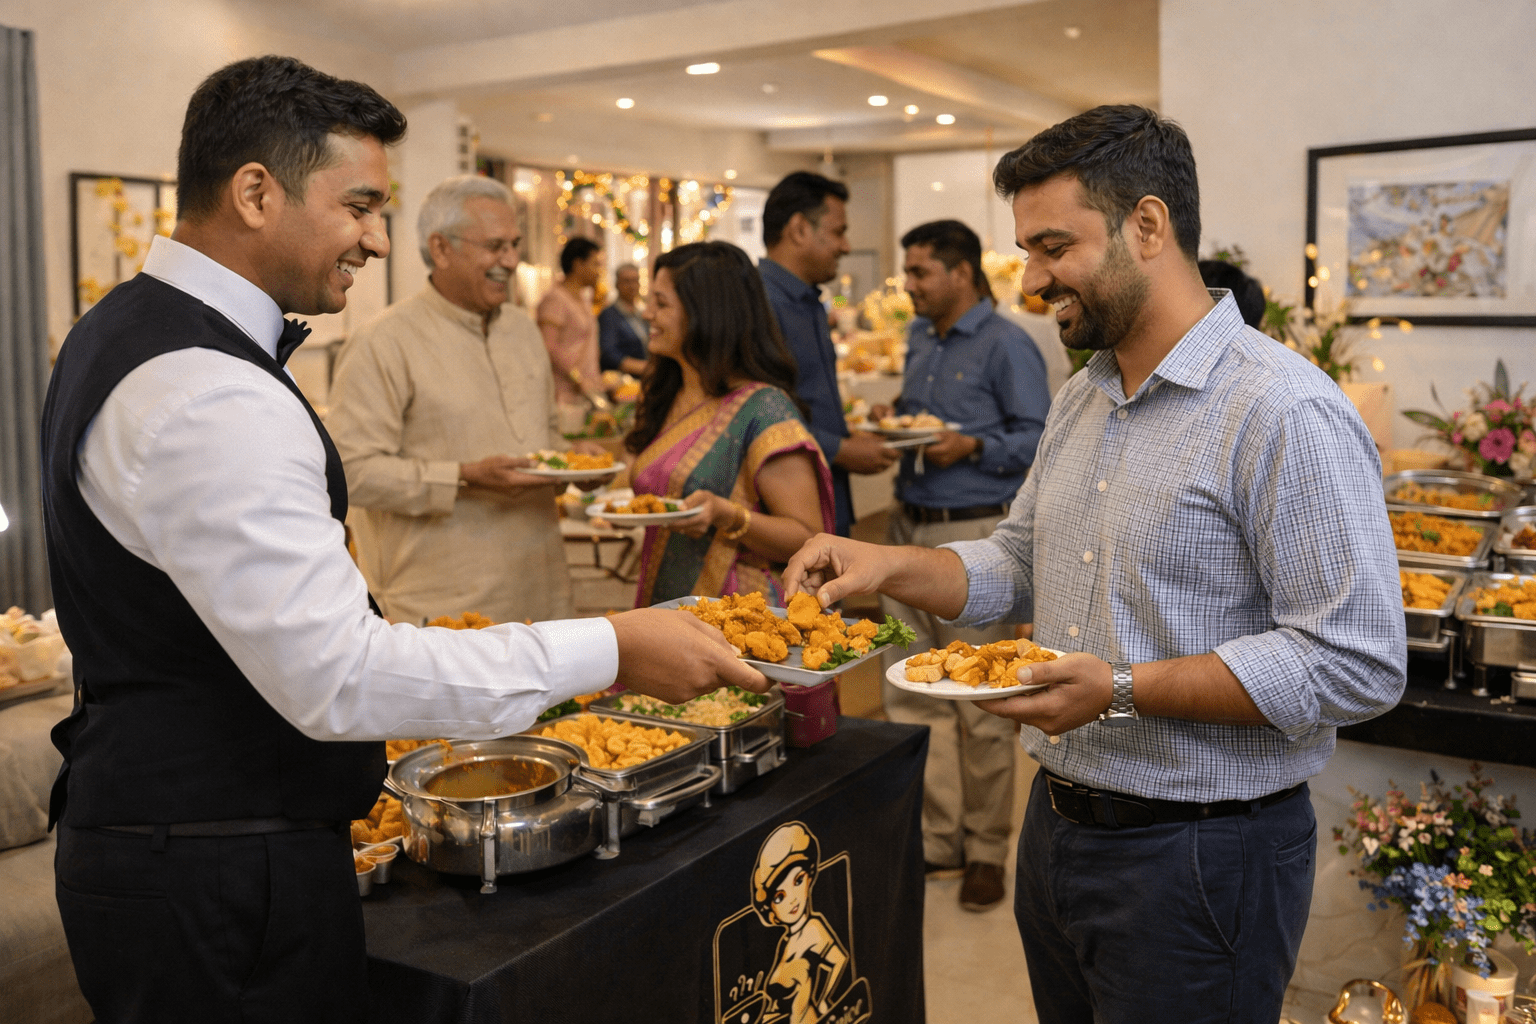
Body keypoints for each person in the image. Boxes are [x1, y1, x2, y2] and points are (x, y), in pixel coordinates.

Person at [38, 56, 766, 1022]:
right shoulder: (212, 392)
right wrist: (612, 647)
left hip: (178, 837)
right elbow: (338, 676)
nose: (380, 241)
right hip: (215, 862)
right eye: (360, 207)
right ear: (255, 192)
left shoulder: (124, 329)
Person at [782, 104, 1405, 1023]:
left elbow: (1357, 659)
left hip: (1202, 855)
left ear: (1146, 226)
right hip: (1058, 828)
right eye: (1026, 250)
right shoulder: (1084, 396)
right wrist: (885, 564)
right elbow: (1017, 560)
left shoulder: (1282, 410)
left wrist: (1119, 688)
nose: (1032, 278)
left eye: (1053, 247)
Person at [870, 219, 1049, 913]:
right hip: (909, 526)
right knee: (913, 697)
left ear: (962, 273)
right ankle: (937, 840)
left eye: (920, 272)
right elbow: (917, 418)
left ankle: (986, 851)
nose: (909, 285)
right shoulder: (921, 337)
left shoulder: (1007, 343)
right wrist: (895, 418)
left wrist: (972, 446)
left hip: (975, 536)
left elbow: (1037, 438)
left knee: (980, 703)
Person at [327, 174, 599, 625]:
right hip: (444, 606)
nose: (510, 261)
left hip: (543, 591)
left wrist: (574, 461)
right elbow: (350, 473)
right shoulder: (384, 341)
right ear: (441, 248)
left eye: (514, 245)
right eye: (495, 246)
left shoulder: (523, 330)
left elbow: (543, 439)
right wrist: (464, 478)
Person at [624, 240, 833, 606]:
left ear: (706, 313)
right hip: (668, 608)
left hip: (738, 615)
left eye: (661, 304)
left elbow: (808, 537)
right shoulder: (669, 391)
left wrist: (728, 515)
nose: (646, 313)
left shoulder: (764, 409)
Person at [759, 172, 897, 536]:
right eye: (838, 232)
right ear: (799, 229)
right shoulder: (759, 305)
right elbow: (759, 419)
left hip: (828, 501)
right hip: (789, 515)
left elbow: (803, 399)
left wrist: (848, 434)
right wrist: (840, 449)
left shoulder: (809, 302)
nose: (846, 247)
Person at [750, 823, 851, 1024]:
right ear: (771, 910)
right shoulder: (784, 943)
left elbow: (839, 959)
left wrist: (823, 999)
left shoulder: (813, 929)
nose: (792, 899)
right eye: (780, 897)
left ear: (809, 878)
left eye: (798, 881)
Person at [538, 236, 604, 408]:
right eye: (595, 264)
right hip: (564, 394)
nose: (599, 271)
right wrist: (577, 378)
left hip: (587, 392)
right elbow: (548, 346)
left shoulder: (583, 299)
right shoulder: (555, 299)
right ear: (578, 264)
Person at [598, 263, 649, 376]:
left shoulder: (642, 312)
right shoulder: (609, 315)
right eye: (627, 281)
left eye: (635, 280)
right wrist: (646, 368)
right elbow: (609, 354)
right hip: (625, 379)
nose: (632, 286)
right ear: (617, 284)